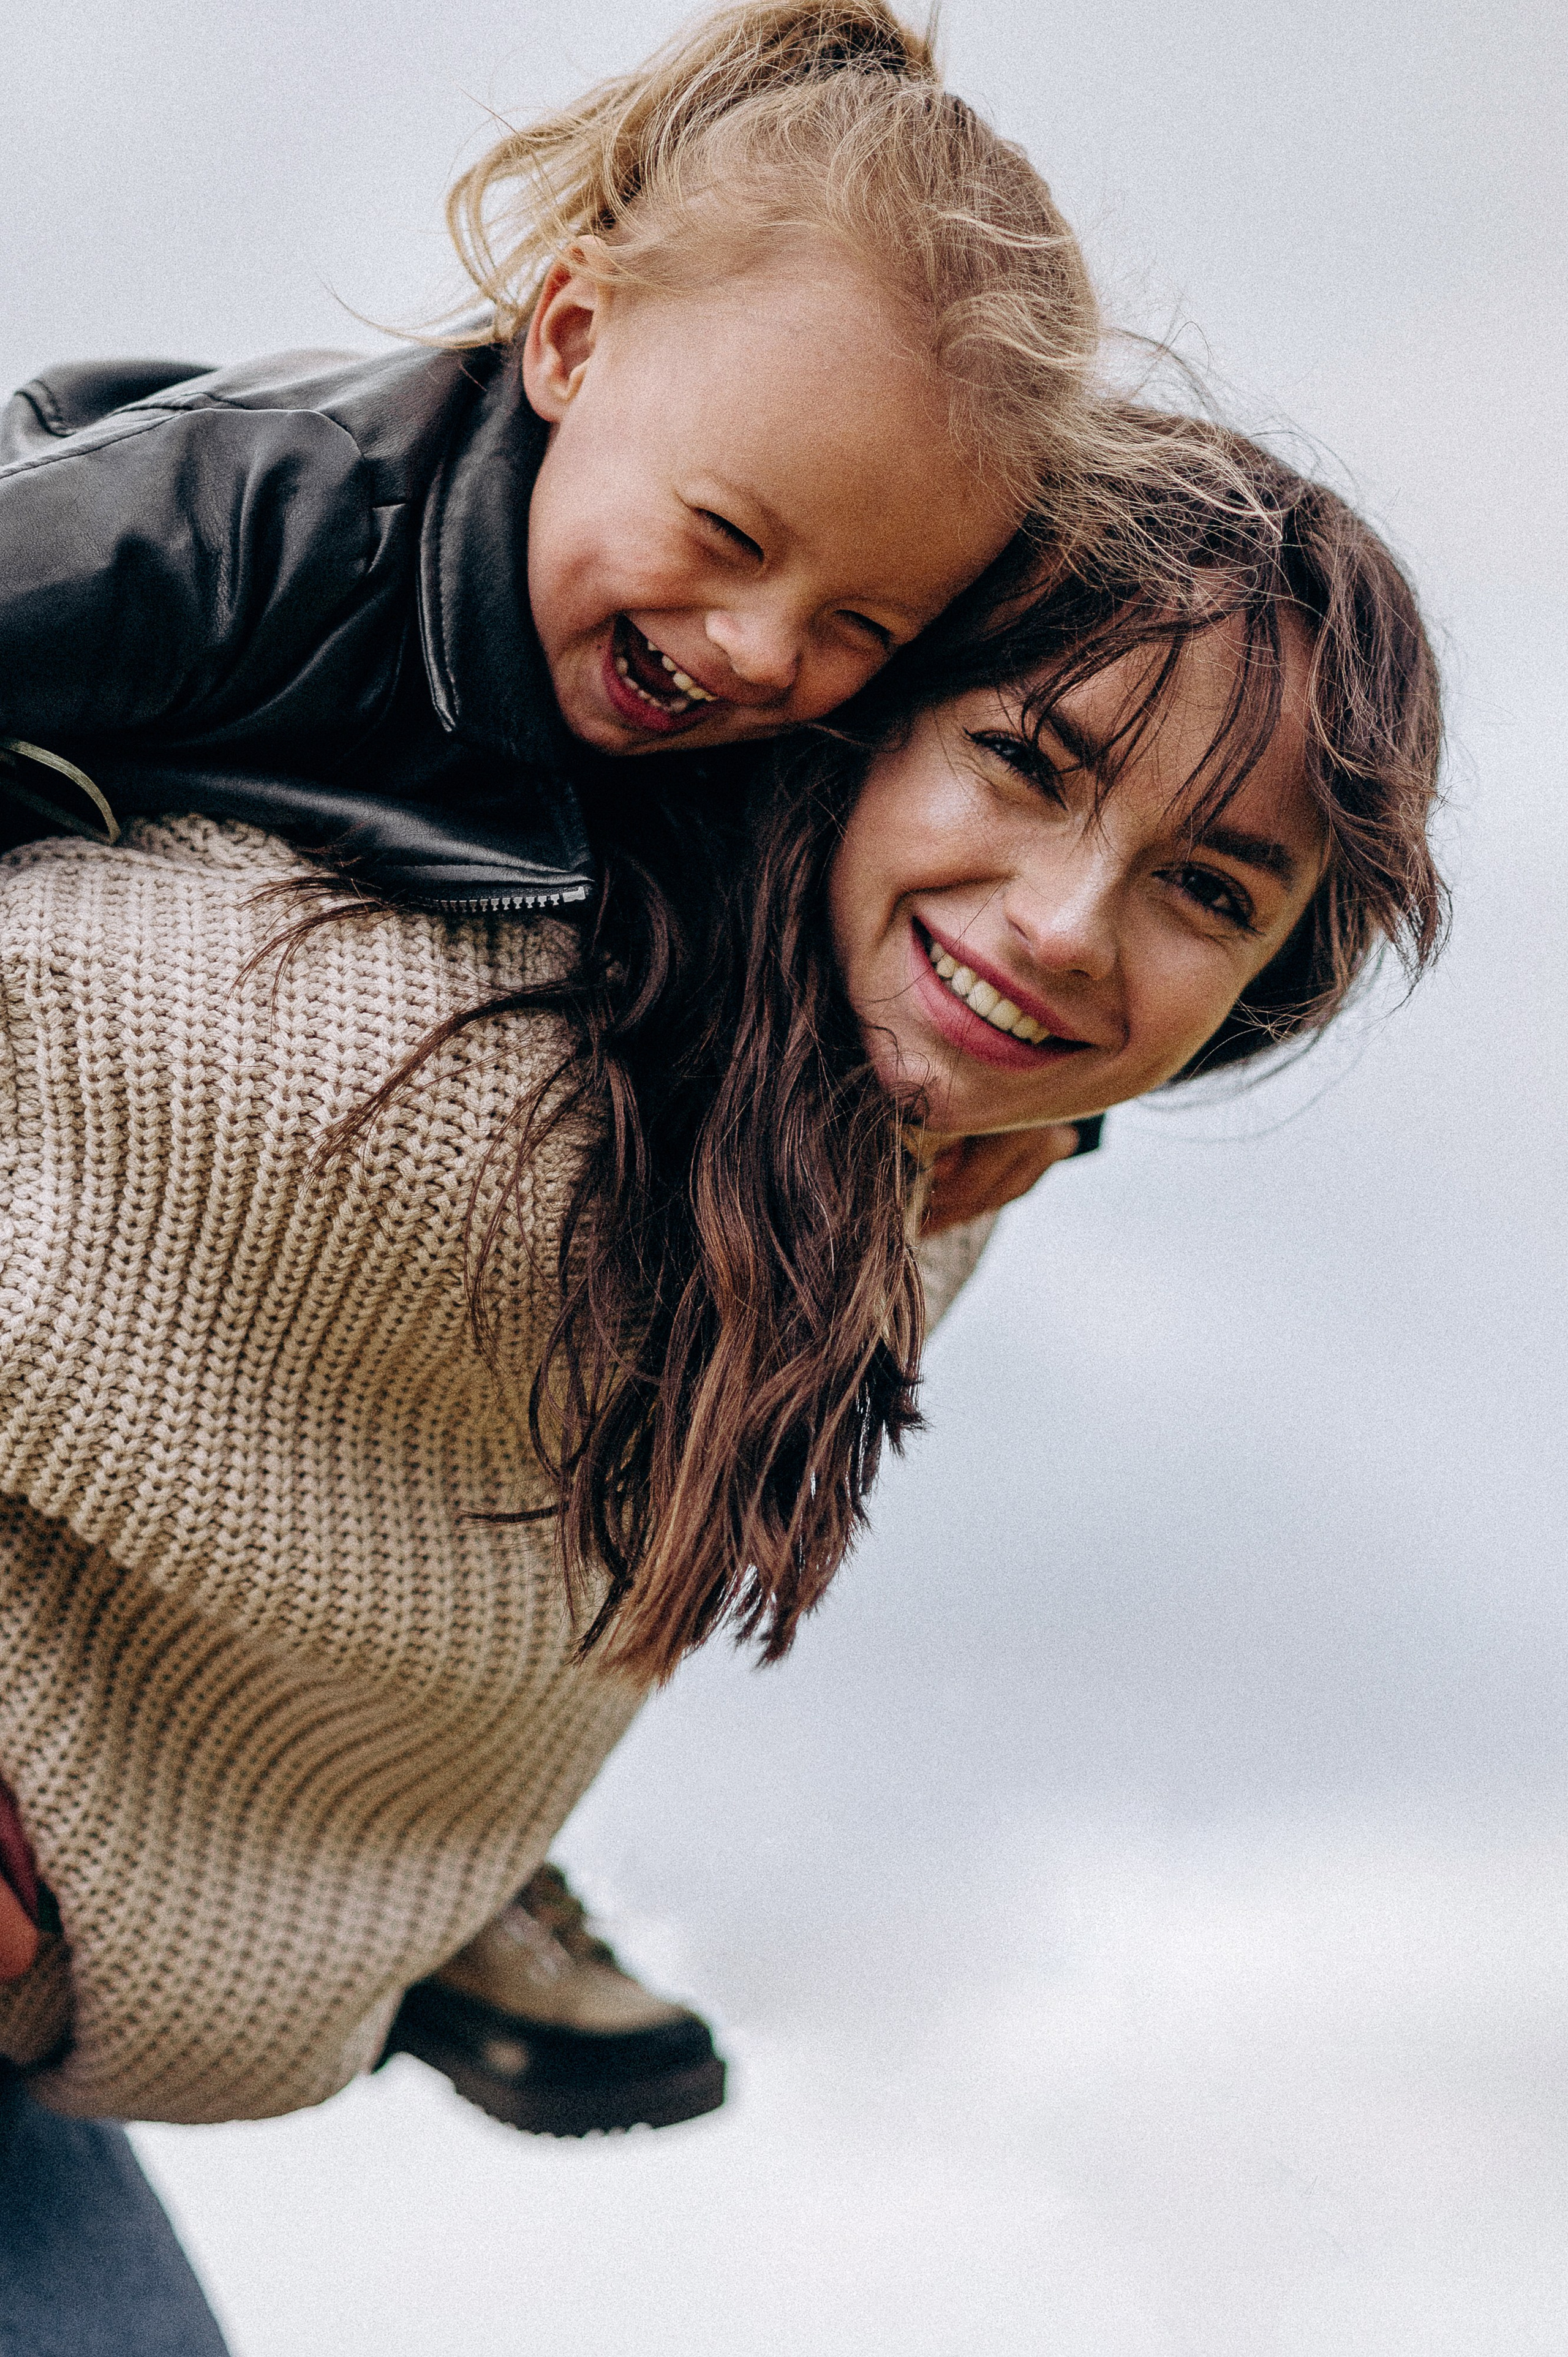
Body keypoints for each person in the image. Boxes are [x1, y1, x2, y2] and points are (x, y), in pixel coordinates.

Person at [0, 413, 1443, 2342]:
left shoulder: (920, 1155)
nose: (1062, 928)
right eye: (1024, 761)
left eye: (1210, 893)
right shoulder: (389, 1018)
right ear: (855, 717)